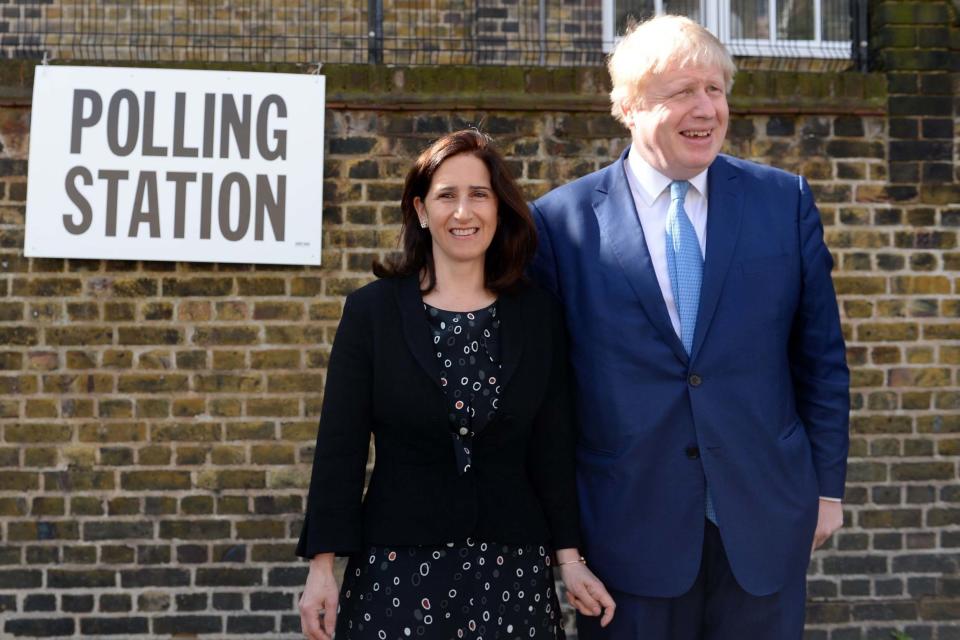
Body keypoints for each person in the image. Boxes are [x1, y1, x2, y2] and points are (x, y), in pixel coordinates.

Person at [529, 15, 850, 640]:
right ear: (627, 106)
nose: (706, 108)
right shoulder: (559, 223)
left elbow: (821, 359)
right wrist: (564, 543)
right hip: (625, 533)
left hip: (764, 521)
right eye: (682, 92)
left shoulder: (783, 202)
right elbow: (549, 396)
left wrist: (827, 492)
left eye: (716, 89)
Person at [296, 130, 615, 640]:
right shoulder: (372, 312)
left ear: (499, 208)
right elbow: (341, 448)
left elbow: (552, 447)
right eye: (447, 195)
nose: (463, 212)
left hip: (512, 571)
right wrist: (321, 569)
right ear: (421, 210)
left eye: (479, 195)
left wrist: (570, 559)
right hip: (394, 568)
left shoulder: (539, 315)